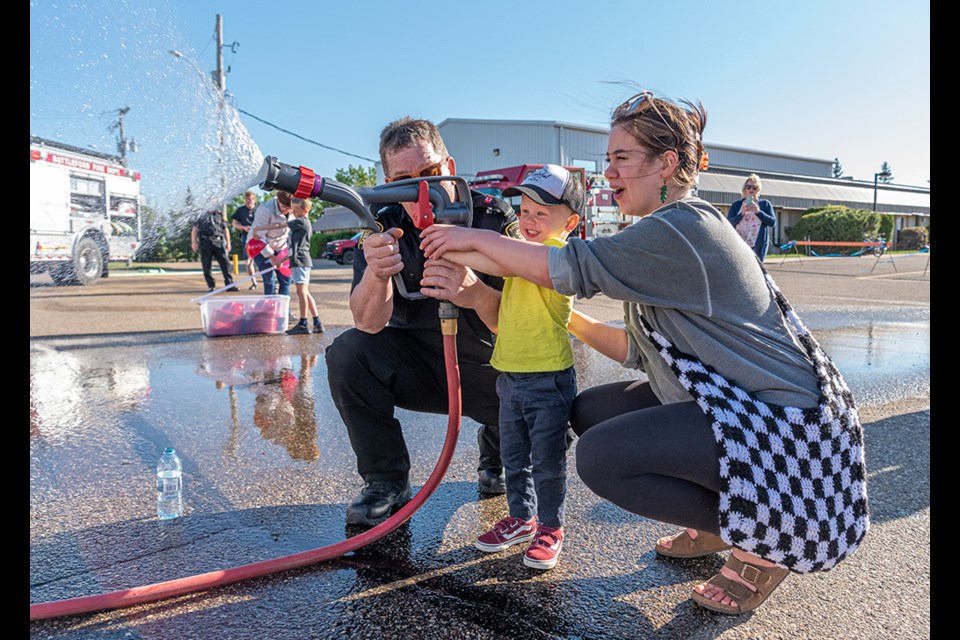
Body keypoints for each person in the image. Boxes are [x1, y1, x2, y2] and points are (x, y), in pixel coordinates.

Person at [420, 90, 868, 614]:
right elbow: (638, 351)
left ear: (667, 164)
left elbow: (558, 266)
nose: (609, 172)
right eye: (608, 159)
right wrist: (562, 318)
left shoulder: (685, 227)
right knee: (586, 410)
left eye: (622, 158)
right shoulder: (663, 232)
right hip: (733, 408)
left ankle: (763, 545)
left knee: (602, 457)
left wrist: (463, 236)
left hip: (787, 431)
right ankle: (720, 523)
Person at [324, 116, 523, 527]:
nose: (421, 191)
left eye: (431, 174)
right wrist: (376, 275)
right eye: (404, 179)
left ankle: (498, 450)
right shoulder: (381, 223)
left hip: (488, 366)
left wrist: (477, 294)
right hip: (417, 367)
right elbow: (367, 323)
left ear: (450, 167)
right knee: (347, 354)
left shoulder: (494, 218)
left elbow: (526, 325)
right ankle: (385, 480)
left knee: (551, 398)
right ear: (387, 182)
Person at [461, 165, 582, 571]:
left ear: (571, 223)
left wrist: (461, 241)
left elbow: (493, 259)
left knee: (548, 461)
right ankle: (521, 517)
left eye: (542, 214)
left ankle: (550, 526)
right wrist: (444, 244)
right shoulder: (517, 249)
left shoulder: (557, 258)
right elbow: (491, 256)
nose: (529, 221)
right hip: (510, 376)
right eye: (525, 212)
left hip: (548, 379)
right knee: (514, 456)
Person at [251, 197, 325, 335]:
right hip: (300, 260)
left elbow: (280, 226)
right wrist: (281, 260)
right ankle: (317, 322)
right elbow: (294, 249)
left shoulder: (300, 221)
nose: (294, 213)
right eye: (294, 210)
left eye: (297, 210)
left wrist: (260, 228)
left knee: (301, 292)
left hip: (300, 261)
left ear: (306, 210)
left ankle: (303, 323)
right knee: (306, 292)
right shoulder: (303, 222)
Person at [251, 190, 293, 298]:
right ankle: (270, 310)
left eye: (290, 208)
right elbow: (259, 237)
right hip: (260, 246)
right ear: (278, 200)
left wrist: (286, 253)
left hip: (281, 246)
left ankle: (283, 312)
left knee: (286, 279)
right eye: (284, 207)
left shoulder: (295, 208)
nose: (287, 210)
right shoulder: (265, 209)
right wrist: (271, 256)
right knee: (269, 281)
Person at [726, 173, 776, 261]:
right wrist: (741, 214)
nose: (751, 189)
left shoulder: (765, 204)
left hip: (756, 247)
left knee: (757, 271)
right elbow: (728, 224)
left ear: (758, 190)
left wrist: (758, 212)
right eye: (748, 187)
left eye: (754, 187)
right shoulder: (736, 205)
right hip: (738, 245)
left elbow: (772, 222)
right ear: (745, 189)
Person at [191, 208, 237, 292]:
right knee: (206, 265)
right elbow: (195, 229)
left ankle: (229, 284)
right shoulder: (201, 214)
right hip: (205, 242)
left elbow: (225, 229)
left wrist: (228, 242)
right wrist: (194, 242)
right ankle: (211, 286)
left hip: (218, 241)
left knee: (225, 263)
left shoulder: (220, 215)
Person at [231, 190, 260, 290]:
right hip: (247, 238)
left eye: (251, 199)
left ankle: (271, 283)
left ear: (254, 200)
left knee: (266, 260)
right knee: (248, 261)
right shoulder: (240, 210)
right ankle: (254, 282)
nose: (249, 201)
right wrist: (243, 227)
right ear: (245, 200)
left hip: (260, 238)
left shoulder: (260, 209)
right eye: (247, 199)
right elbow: (234, 224)